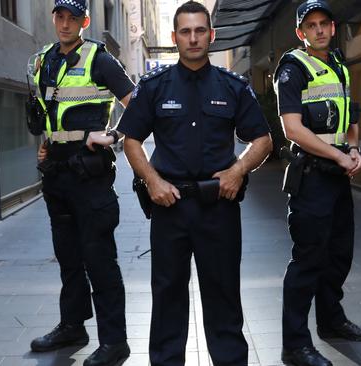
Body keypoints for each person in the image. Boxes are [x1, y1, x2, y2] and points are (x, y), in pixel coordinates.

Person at [116, 2, 272, 365]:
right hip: (169, 208)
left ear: (211, 35)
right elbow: (131, 140)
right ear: (174, 38)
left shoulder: (232, 86)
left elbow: (263, 139)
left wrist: (237, 171)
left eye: (200, 30)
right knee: (168, 296)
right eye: (185, 32)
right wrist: (152, 181)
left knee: (223, 297)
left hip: (218, 207)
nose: (193, 38)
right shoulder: (154, 87)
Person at [27, 1, 133, 365]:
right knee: (68, 257)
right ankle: (72, 325)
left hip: (90, 173)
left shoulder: (99, 59)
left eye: (74, 17)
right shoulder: (45, 59)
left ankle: (115, 342)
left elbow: (138, 103)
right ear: (53, 18)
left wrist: (114, 135)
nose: (66, 23)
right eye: (60, 16)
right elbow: (49, 110)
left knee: (99, 258)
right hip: (57, 171)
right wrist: (49, 142)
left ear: (85, 21)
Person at [273, 0, 361, 365]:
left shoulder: (340, 66)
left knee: (338, 255)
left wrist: (355, 148)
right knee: (307, 261)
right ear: (301, 32)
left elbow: (351, 114)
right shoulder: (293, 68)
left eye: (324, 24)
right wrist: (338, 155)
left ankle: (332, 321)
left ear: (332, 27)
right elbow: (293, 128)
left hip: (337, 177)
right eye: (311, 25)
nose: (318, 30)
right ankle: (295, 345)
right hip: (313, 177)